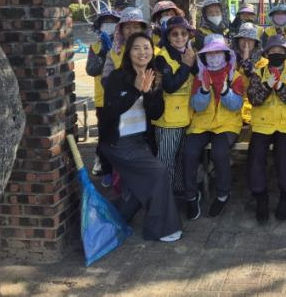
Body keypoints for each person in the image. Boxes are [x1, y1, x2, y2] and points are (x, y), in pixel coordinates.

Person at [99, 32, 182, 242]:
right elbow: (110, 112)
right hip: (117, 142)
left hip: (140, 141)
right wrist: (136, 91)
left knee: (137, 189)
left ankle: (114, 218)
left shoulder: (155, 77)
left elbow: (156, 113)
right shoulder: (116, 77)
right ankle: (161, 229)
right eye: (136, 48)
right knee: (158, 172)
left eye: (146, 47)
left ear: (152, 51)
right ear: (129, 52)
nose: (142, 52)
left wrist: (149, 93)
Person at [184, 34, 245, 219]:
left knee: (219, 153)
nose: (214, 56)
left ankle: (223, 194)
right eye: (210, 53)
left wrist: (225, 91)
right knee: (189, 152)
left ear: (226, 54)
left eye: (218, 52)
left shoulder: (235, 76)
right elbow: (197, 106)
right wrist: (203, 90)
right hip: (202, 124)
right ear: (204, 56)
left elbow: (236, 105)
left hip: (227, 124)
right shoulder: (199, 76)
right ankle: (191, 196)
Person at [246, 35, 286, 224]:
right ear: (267, 53)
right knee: (256, 155)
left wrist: (279, 87)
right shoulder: (258, 73)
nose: (277, 53)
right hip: (263, 125)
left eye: (281, 51)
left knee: (283, 155)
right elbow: (254, 99)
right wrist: (267, 85)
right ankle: (260, 197)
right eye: (273, 50)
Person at [152, 16, 197, 195]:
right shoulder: (162, 57)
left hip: (187, 117)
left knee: (180, 160)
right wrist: (186, 65)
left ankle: (177, 191)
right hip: (168, 121)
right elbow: (170, 86)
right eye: (175, 34)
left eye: (183, 33)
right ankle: (164, 197)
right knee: (165, 161)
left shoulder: (189, 53)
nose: (179, 37)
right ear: (168, 37)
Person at [86, 9, 120, 187]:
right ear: (99, 27)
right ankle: (106, 171)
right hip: (103, 100)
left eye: (113, 22)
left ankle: (119, 172)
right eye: (105, 23)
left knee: (121, 137)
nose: (109, 26)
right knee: (105, 137)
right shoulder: (95, 48)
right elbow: (91, 70)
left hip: (122, 99)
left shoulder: (124, 45)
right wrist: (102, 54)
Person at [102, 7, 150, 82]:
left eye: (136, 27)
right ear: (121, 30)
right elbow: (106, 80)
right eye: (127, 27)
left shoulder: (153, 51)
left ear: (142, 30)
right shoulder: (114, 53)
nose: (132, 31)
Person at [232, 22, 266, 125]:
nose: (246, 42)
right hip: (232, 106)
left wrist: (246, 61)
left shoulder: (263, 61)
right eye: (243, 38)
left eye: (250, 39)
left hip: (252, 108)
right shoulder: (231, 58)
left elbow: (256, 82)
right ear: (237, 41)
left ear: (256, 42)